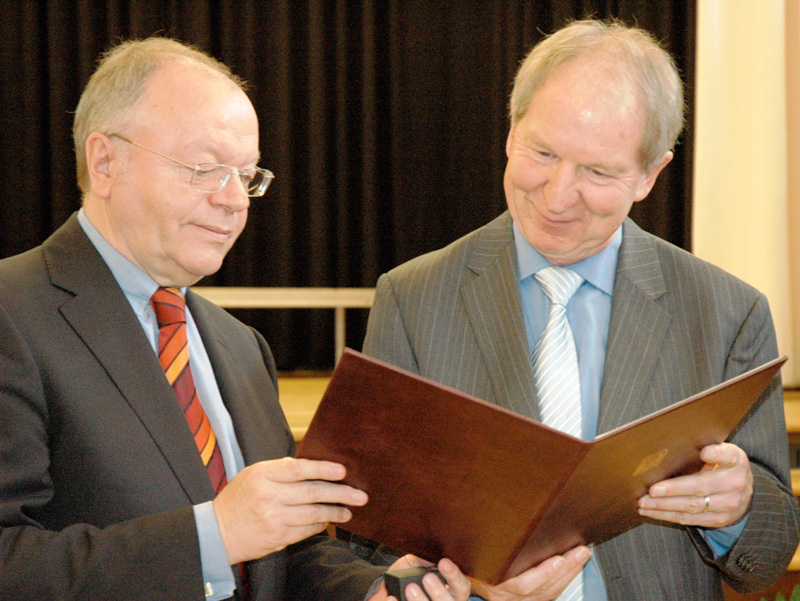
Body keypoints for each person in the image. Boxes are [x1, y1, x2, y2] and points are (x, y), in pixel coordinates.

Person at [0, 37, 495, 601]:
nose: (235, 200)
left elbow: (291, 553)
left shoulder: (239, 346)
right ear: (106, 161)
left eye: (248, 175)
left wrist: (370, 594)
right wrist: (214, 535)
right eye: (205, 169)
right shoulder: (12, 314)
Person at [362, 19, 800, 601]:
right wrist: (455, 585)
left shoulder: (727, 312)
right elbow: (368, 542)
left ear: (650, 175)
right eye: (543, 152)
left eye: (598, 171)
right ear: (511, 134)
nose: (558, 194)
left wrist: (740, 508)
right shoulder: (412, 299)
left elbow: (770, 554)